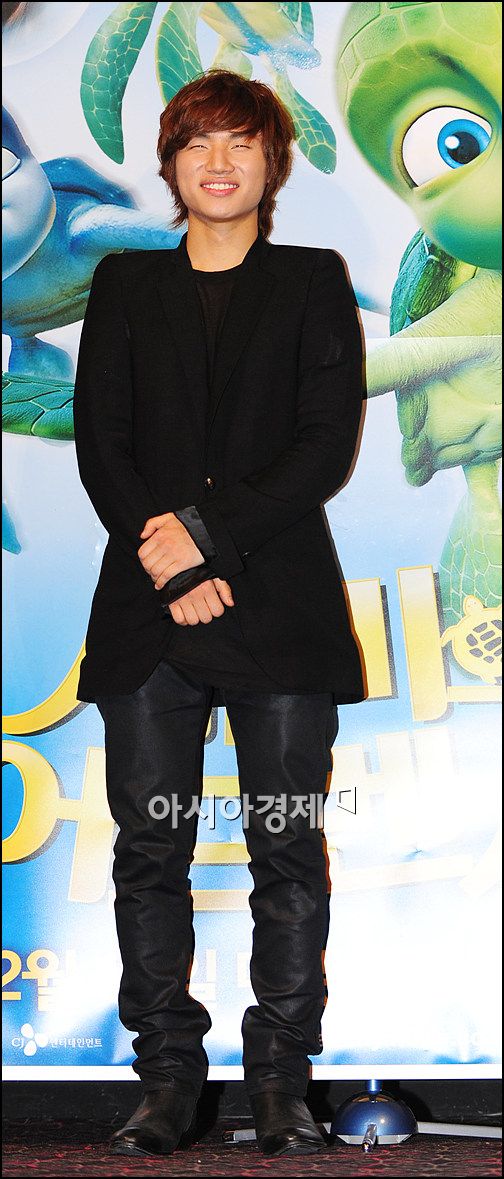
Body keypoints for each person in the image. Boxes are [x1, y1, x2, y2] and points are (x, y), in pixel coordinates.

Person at [73, 68, 365, 1159]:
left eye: (241, 142)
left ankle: (281, 1082)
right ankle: (167, 1082)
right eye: (198, 143)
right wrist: (172, 569)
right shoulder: (123, 284)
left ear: (272, 163)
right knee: (149, 851)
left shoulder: (312, 280)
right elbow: (103, 444)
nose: (220, 162)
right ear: (170, 163)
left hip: (278, 611)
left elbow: (322, 448)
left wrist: (203, 536)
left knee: (286, 849)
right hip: (150, 617)